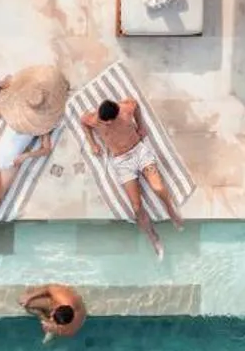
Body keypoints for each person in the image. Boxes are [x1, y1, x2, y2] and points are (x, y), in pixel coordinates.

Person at [0, 66, 69, 256]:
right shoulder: (16, 110)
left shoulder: (44, 124)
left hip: (11, 164)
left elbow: (46, 149)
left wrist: (27, 155)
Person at [78, 95, 184, 257]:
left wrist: (140, 126)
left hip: (139, 152)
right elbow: (83, 122)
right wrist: (92, 143)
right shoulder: (94, 119)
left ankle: (170, 210)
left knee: (158, 187)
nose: (105, 124)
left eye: (107, 122)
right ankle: (153, 237)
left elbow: (135, 104)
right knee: (136, 207)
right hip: (122, 162)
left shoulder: (126, 109)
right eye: (103, 121)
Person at [22, 285, 86, 343]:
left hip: (64, 319)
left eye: (55, 321)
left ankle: (49, 328)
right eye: (53, 317)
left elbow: (51, 327)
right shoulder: (63, 298)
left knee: (29, 305)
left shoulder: (69, 330)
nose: (51, 319)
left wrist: (49, 326)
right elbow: (48, 288)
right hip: (63, 301)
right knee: (27, 298)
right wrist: (29, 297)